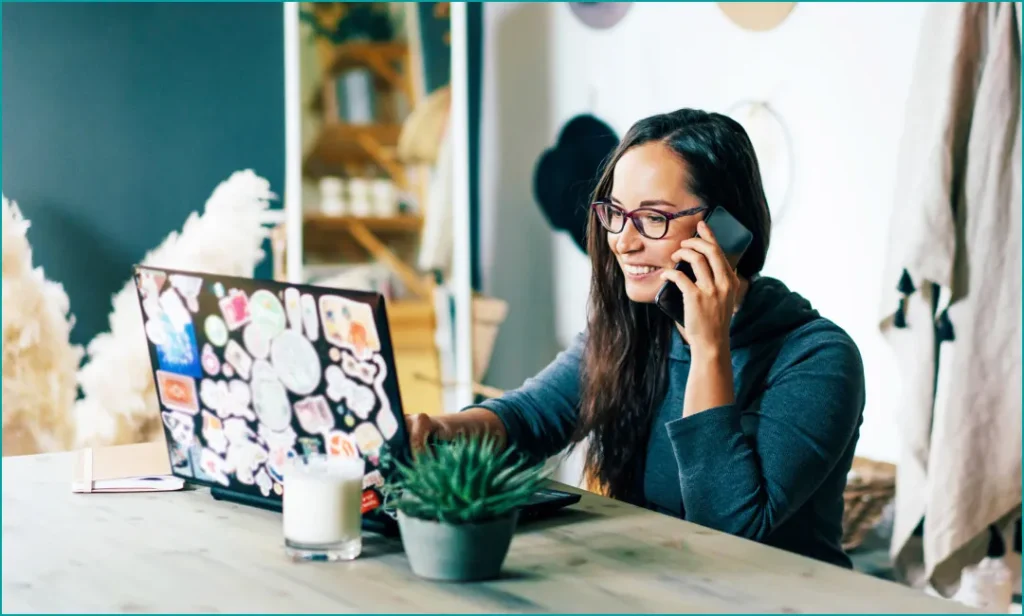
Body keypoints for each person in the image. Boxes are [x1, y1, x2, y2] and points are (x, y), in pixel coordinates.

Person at [406, 108, 866, 568]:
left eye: (652, 218)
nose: (623, 242)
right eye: (616, 213)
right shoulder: (635, 328)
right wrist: (436, 432)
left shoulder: (818, 358)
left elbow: (727, 533)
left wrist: (708, 349)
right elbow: (529, 419)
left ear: (726, 230)